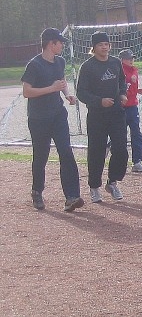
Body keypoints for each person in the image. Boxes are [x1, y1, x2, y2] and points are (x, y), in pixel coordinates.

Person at [21, 28, 84, 212]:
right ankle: (37, 191)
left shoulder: (60, 61)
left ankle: (72, 196)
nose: (62, 45)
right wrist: (51, 88)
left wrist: (66, 94)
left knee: (66, 151)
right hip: (39, 118)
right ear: (51, 43)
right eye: (59, 42)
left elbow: (61, 81)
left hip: (57, 114)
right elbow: (27, 92)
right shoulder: (34, 65)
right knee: (41, 156)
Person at [76, 31, 129, 203]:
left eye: (106, 44)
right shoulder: (87, 67)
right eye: (100, 45)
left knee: (121, 149)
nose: (104, 47)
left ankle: (112, 182)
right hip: (97, 116)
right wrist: (99, 101)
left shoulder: (115, 62)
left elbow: (122, 81)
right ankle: (94, 186)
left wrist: (122, 94)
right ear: (94, 47)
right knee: (97, 152)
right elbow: (81, 93)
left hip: (116, 113)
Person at [119, 49, 142, 173]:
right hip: (122, 107)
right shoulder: (120, 71)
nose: (131, 60)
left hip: (132, 106)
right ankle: (115, 156)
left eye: (132, 58)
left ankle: (137, 161)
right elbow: (122, 90)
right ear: (122, 60)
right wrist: (131, 89)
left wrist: (137, 90)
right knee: (120, 134)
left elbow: (131, 88)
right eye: (128, 58)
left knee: (136, 133)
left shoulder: (134, 69)